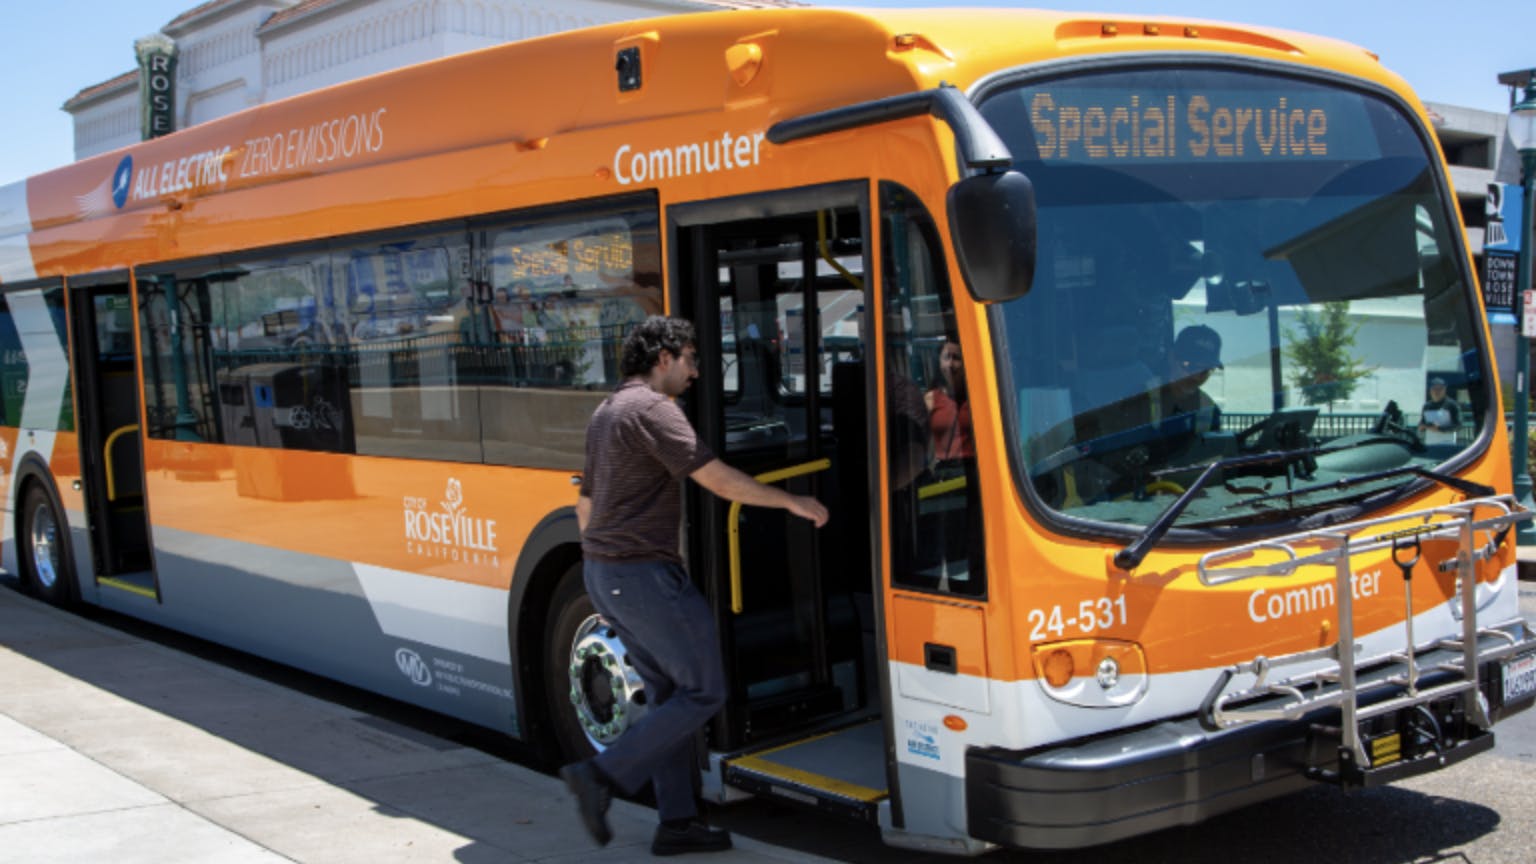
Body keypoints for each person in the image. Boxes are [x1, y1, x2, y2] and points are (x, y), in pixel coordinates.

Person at [561, 315, 828, 856]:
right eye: (691, 358)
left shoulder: (607, 410)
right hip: (641, 576)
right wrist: (792, 500)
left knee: (667, 696)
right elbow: (716, 478)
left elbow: (584, 502)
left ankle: (677, 823)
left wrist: (606, 558)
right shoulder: (655, 410)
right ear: (664, 358)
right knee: (704, 691)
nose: (697, 372)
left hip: (607, 572)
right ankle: (601, 776)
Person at [1156, 324, 1223, 436]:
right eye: (1190, 366)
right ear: (1171, 357)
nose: (1196, 377)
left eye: (1205, 370)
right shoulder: (1140, 398)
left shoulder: (1209, 410)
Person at [924, 339, 973, 460]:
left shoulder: (978, 398)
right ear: (939, 363)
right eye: (946, 358)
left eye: (956, 358)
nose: (950, 364)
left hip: (976, 470)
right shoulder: (930, 399)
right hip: (945, 473)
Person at [1418, 377, 1461, 445]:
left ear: (1444, 390)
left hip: (1447, 442)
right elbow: (1422, 422)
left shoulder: (1452, 405)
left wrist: (1440, 429)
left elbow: (1458, 425)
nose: (1436, 391)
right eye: (1434, 389)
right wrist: (1421, 426)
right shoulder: (1427, 406)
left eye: (1440, 389)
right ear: (1430, 390)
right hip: (1431, 442)